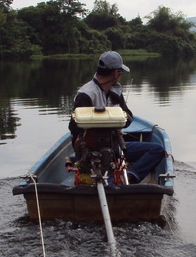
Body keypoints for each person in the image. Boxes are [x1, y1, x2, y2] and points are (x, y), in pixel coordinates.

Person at [68, 51, 165, 184]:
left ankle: (131, 175)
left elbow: (128, 117)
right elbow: (73, 127)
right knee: (109, 183)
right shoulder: (86, 94)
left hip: (114, 145)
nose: (119, 75)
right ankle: (112, 179)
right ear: (116, 73)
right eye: (120, 72)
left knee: (157, 150)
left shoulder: (115, 91)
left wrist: (115, 117)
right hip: (91, 150)